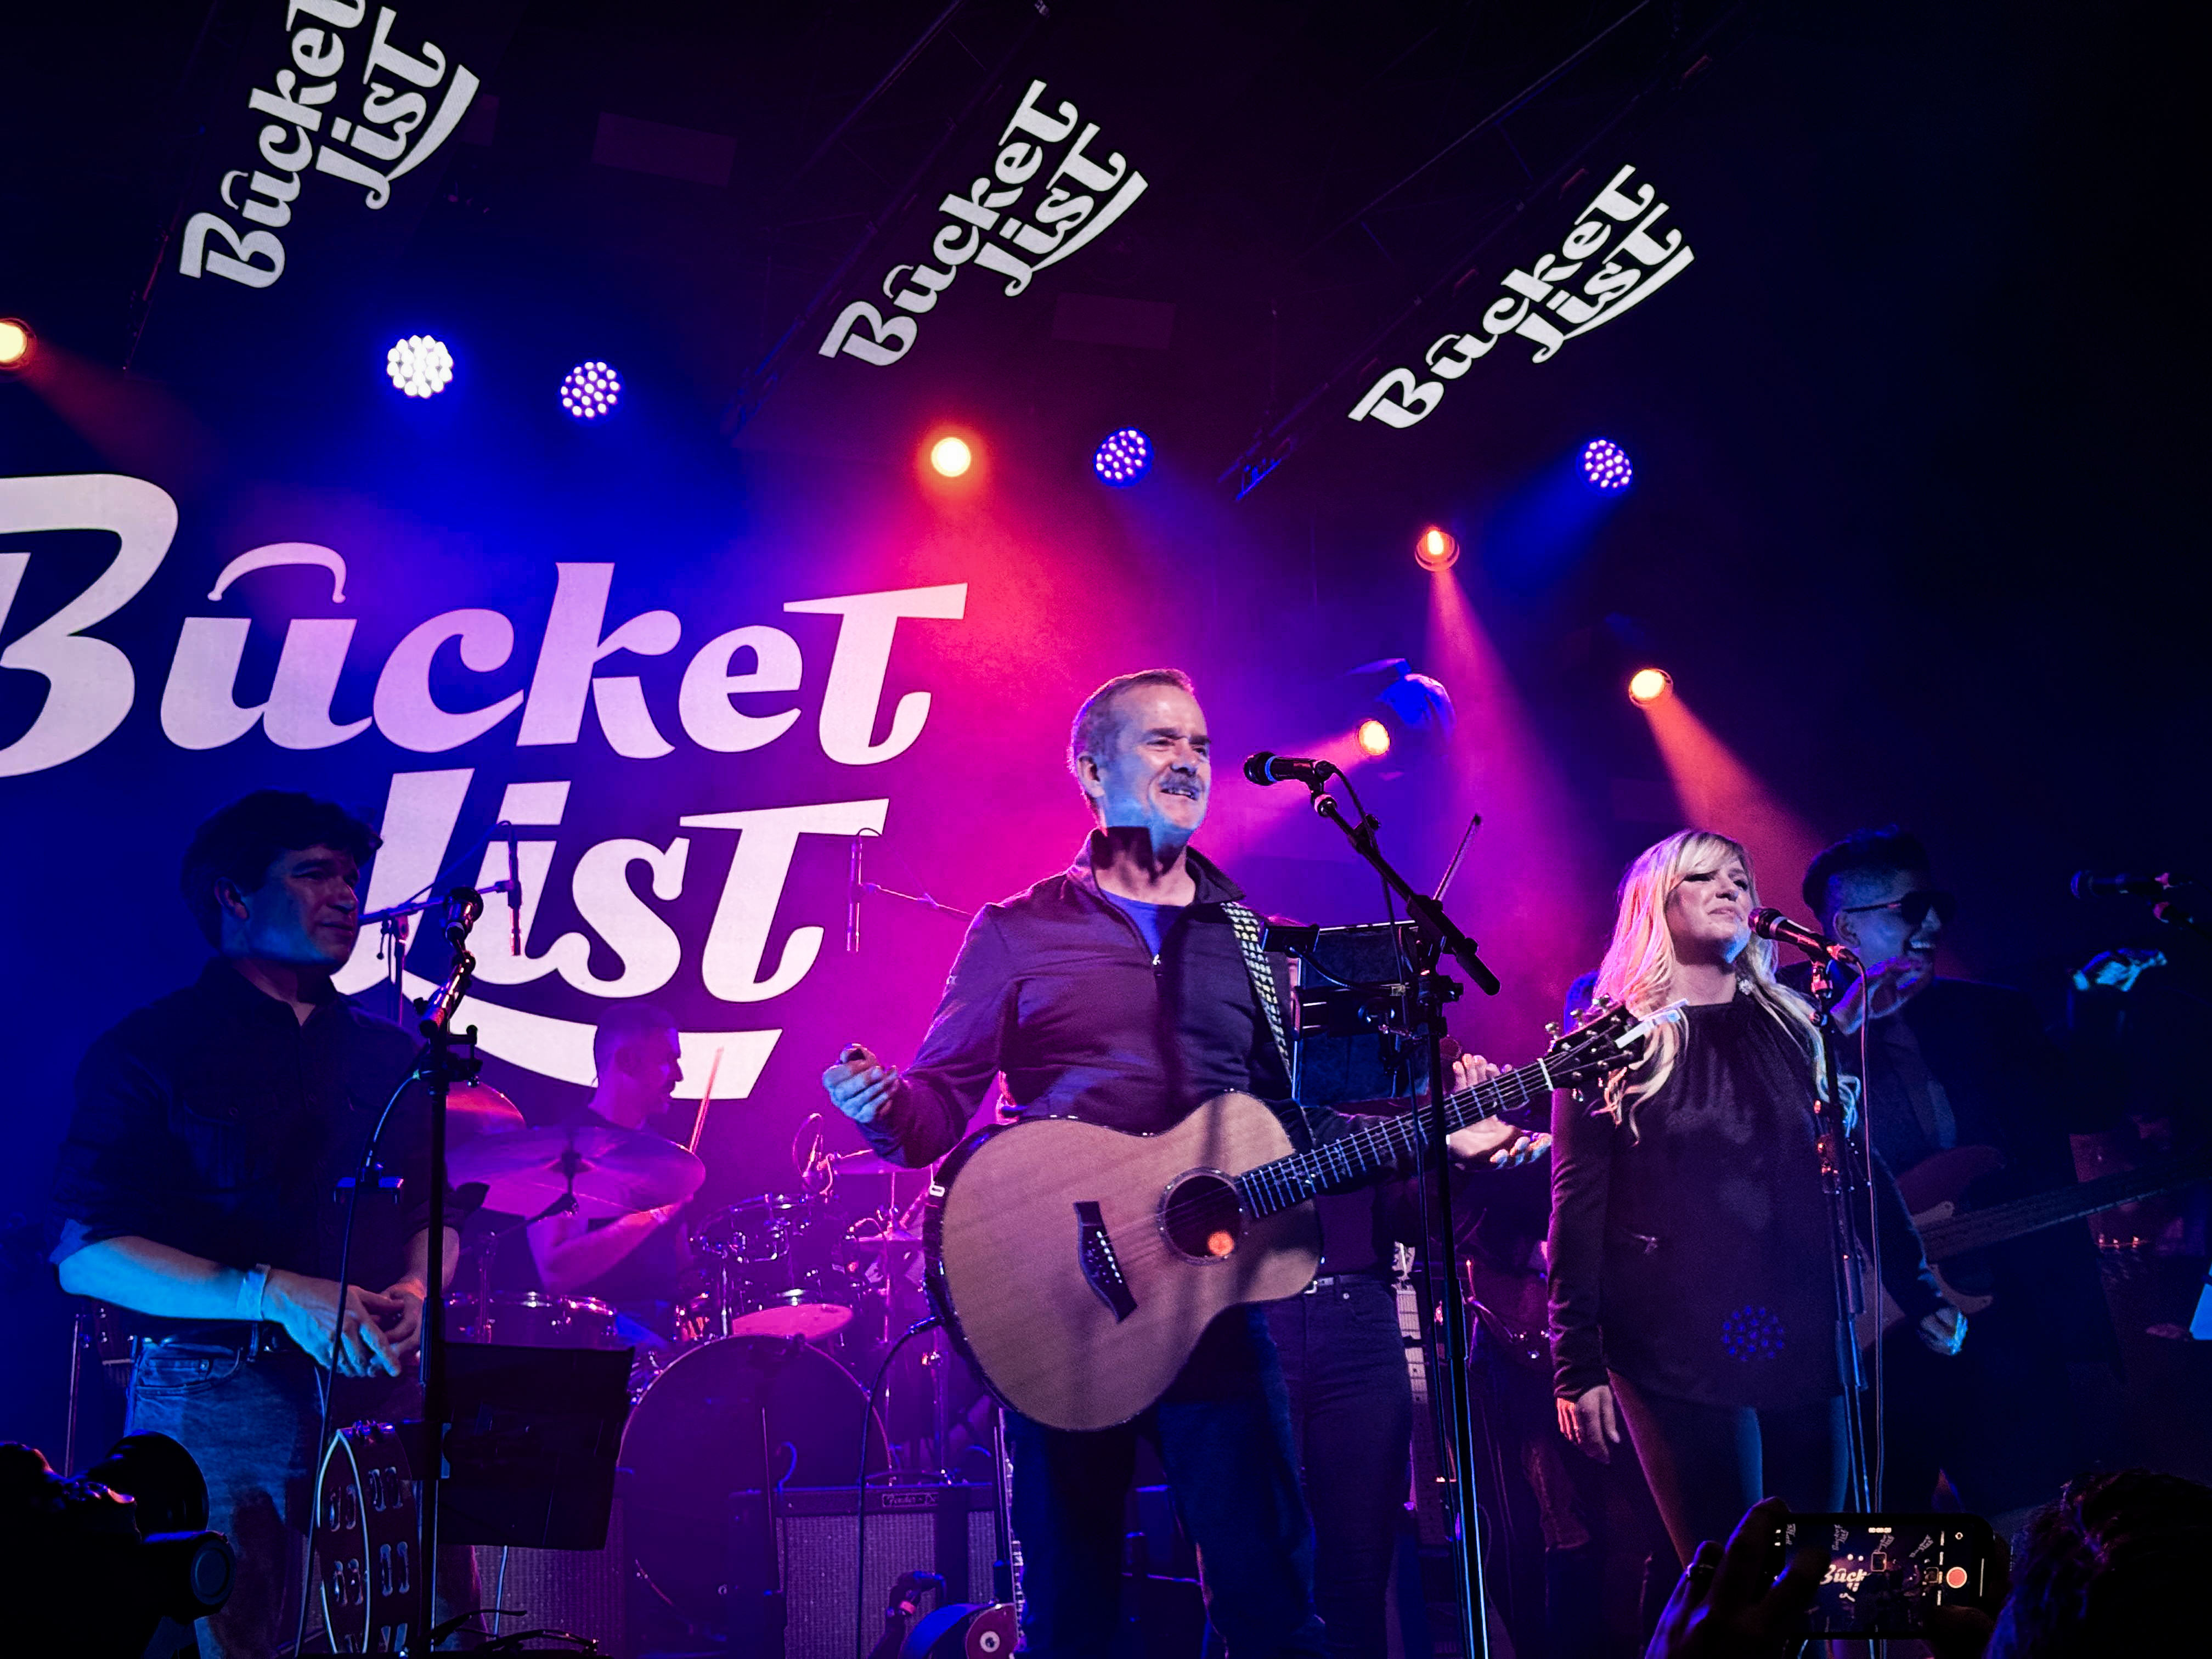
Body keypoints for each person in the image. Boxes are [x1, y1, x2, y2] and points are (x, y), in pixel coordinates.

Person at [822, 669, 1536, 1659]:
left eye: (1199, 744)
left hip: (1212, 1307)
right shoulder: (1016, 930)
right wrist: (885, 1107)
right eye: (1161, 741)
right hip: (1061, 1298)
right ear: (1090, 770)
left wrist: (1434, 1130)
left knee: (1272, 1605)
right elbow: (936, 1108)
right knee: (1072, 1613)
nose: (1189, 761)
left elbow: (1282, 1123)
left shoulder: (1245, 935)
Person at [48, 789, 461, 1657]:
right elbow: (87, 1255)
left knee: (415, 1636)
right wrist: (271, 1294)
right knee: (238, 1643)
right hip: (217, 1391)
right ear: (233, 896)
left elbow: (435, 1213)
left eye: (351, 877)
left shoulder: (394, 1054)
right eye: (314, 874)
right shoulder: (150, 1049)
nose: (345, 896)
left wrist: (419, 1289)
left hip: (381, 1390)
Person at [1546, 829, 1961, 1567]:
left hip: (1799, 1316)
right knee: (1731, 1579)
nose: (1730, 890)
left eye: (1740, 879)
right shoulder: (1611, 1046)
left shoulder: (1796, 1027)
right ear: (1656, 903)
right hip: (1671, 1338)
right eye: (1703, 878)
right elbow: (1576, 1211)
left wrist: (1916, 1282)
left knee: (1813, 1571)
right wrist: (1574, 1364)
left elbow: (1855, 1163)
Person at [1797, 827, 2126, 1526]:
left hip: (2005, 1321)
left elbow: (2091, 1110)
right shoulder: (1796, 1026)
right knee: (1887, 1550)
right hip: (1871, 1339)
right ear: (1846, 928)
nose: (1933, 926)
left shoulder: (1993, 1014)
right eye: (1911, 910)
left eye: (1938, 906)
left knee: (2044, 1532)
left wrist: (2095, 1011)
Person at [526, 1002, 692, 1342]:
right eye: (667, 1060)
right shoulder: (564, 1149)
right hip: (596, 1342)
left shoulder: (666, 1155)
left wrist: (701, 1301)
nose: (678, 1076)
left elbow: (681, 1268)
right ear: (628, 1061)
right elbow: (556, 1272)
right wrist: (654, 1215)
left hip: (666, 1336)